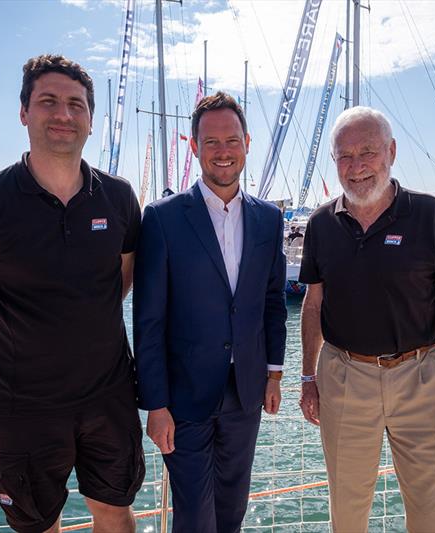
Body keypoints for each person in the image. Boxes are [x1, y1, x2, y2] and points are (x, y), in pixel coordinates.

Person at [0, 55, 144, 533]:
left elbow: (123, 277)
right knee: (37, 524)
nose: (63, 114)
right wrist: (24, 341)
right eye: (48, 101)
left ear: (91, 121)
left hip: (109, 395)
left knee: (115, 511)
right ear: (24, 112)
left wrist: (80, 326)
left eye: (76, 104)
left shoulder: (118, 197)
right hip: (22, 404)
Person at [298, 107, 435, 533]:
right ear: (334, 161)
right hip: (343, 378)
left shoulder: (431, 215)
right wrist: (308, 379)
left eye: (368, 152)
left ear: (391, 152)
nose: (357, 166)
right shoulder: (321, 224)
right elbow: (312, 305)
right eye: (345, 156)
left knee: (433, 512)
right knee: (347, 509)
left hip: (423, 379)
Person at [133, 91, 287, 533]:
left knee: (232, 508)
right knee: (195, 518)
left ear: (247, 143)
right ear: (195, 146)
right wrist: (155, 404)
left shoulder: (268, 219)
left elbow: (273, 302)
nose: (223, 152)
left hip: (246, 392)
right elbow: (148, 320)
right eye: (212, 142)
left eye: (232, 140)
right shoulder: (162, 218)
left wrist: (273, 373)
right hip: (184, 398)